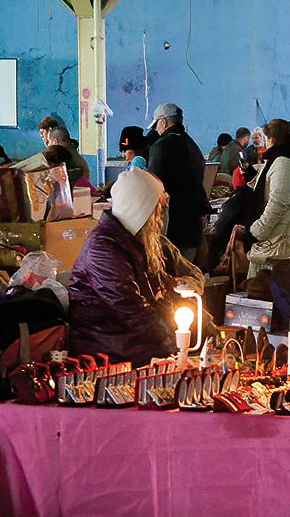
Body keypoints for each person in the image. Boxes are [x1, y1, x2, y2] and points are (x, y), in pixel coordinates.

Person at [66, 168, 207, 365]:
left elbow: (155, 283)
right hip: (108, 345)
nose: (159, 220)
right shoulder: (103, 248)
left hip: (130, 336)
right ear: (140, 209)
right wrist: (174, 349)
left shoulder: (133, 239)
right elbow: (132, 309)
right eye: (156, 212)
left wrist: (178, 285)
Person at [238, 119, 290, 278]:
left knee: (273, 293)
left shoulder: (282, 162)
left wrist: (256, 232)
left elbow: (278, 204)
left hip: (284, 240)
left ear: (270, 139)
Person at [147, 103, 211, 260]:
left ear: (163, 122)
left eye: (156, 125)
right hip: (193, 226)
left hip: (172, 227)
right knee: (188, 276)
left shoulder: (161, 146)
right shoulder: (193, 146)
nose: (156, 129)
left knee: (171, 277)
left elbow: (152, 185)